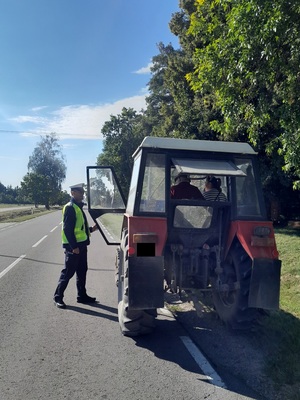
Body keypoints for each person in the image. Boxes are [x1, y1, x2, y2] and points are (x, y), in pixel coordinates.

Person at [53, 183, 98, 309]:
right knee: (68, 272)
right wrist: (73, 247)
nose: (82, 194)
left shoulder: (78, 207)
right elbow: (67, 229)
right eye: (80, 192)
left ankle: (82, 296)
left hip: (82, 246)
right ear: (73, 193)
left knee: (82, 271)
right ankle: (58, 297)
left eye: (83, 192)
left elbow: (80, 229)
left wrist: (92, 229)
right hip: (73, 248)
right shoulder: (70, 207)